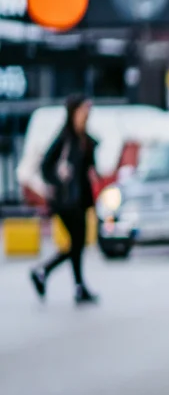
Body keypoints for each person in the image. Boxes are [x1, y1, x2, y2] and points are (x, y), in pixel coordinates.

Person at [30, 94, 100, 305]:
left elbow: (89, 168)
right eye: (82, 112)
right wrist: (60, 178)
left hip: (79, 200)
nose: (85, 116)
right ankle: (69, 282)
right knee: (78, 243)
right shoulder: (65, 138)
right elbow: (45, 167)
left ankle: (47, 274)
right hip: (65, 202)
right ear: (73, 112)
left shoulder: (83, 139)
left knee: (77, 244)